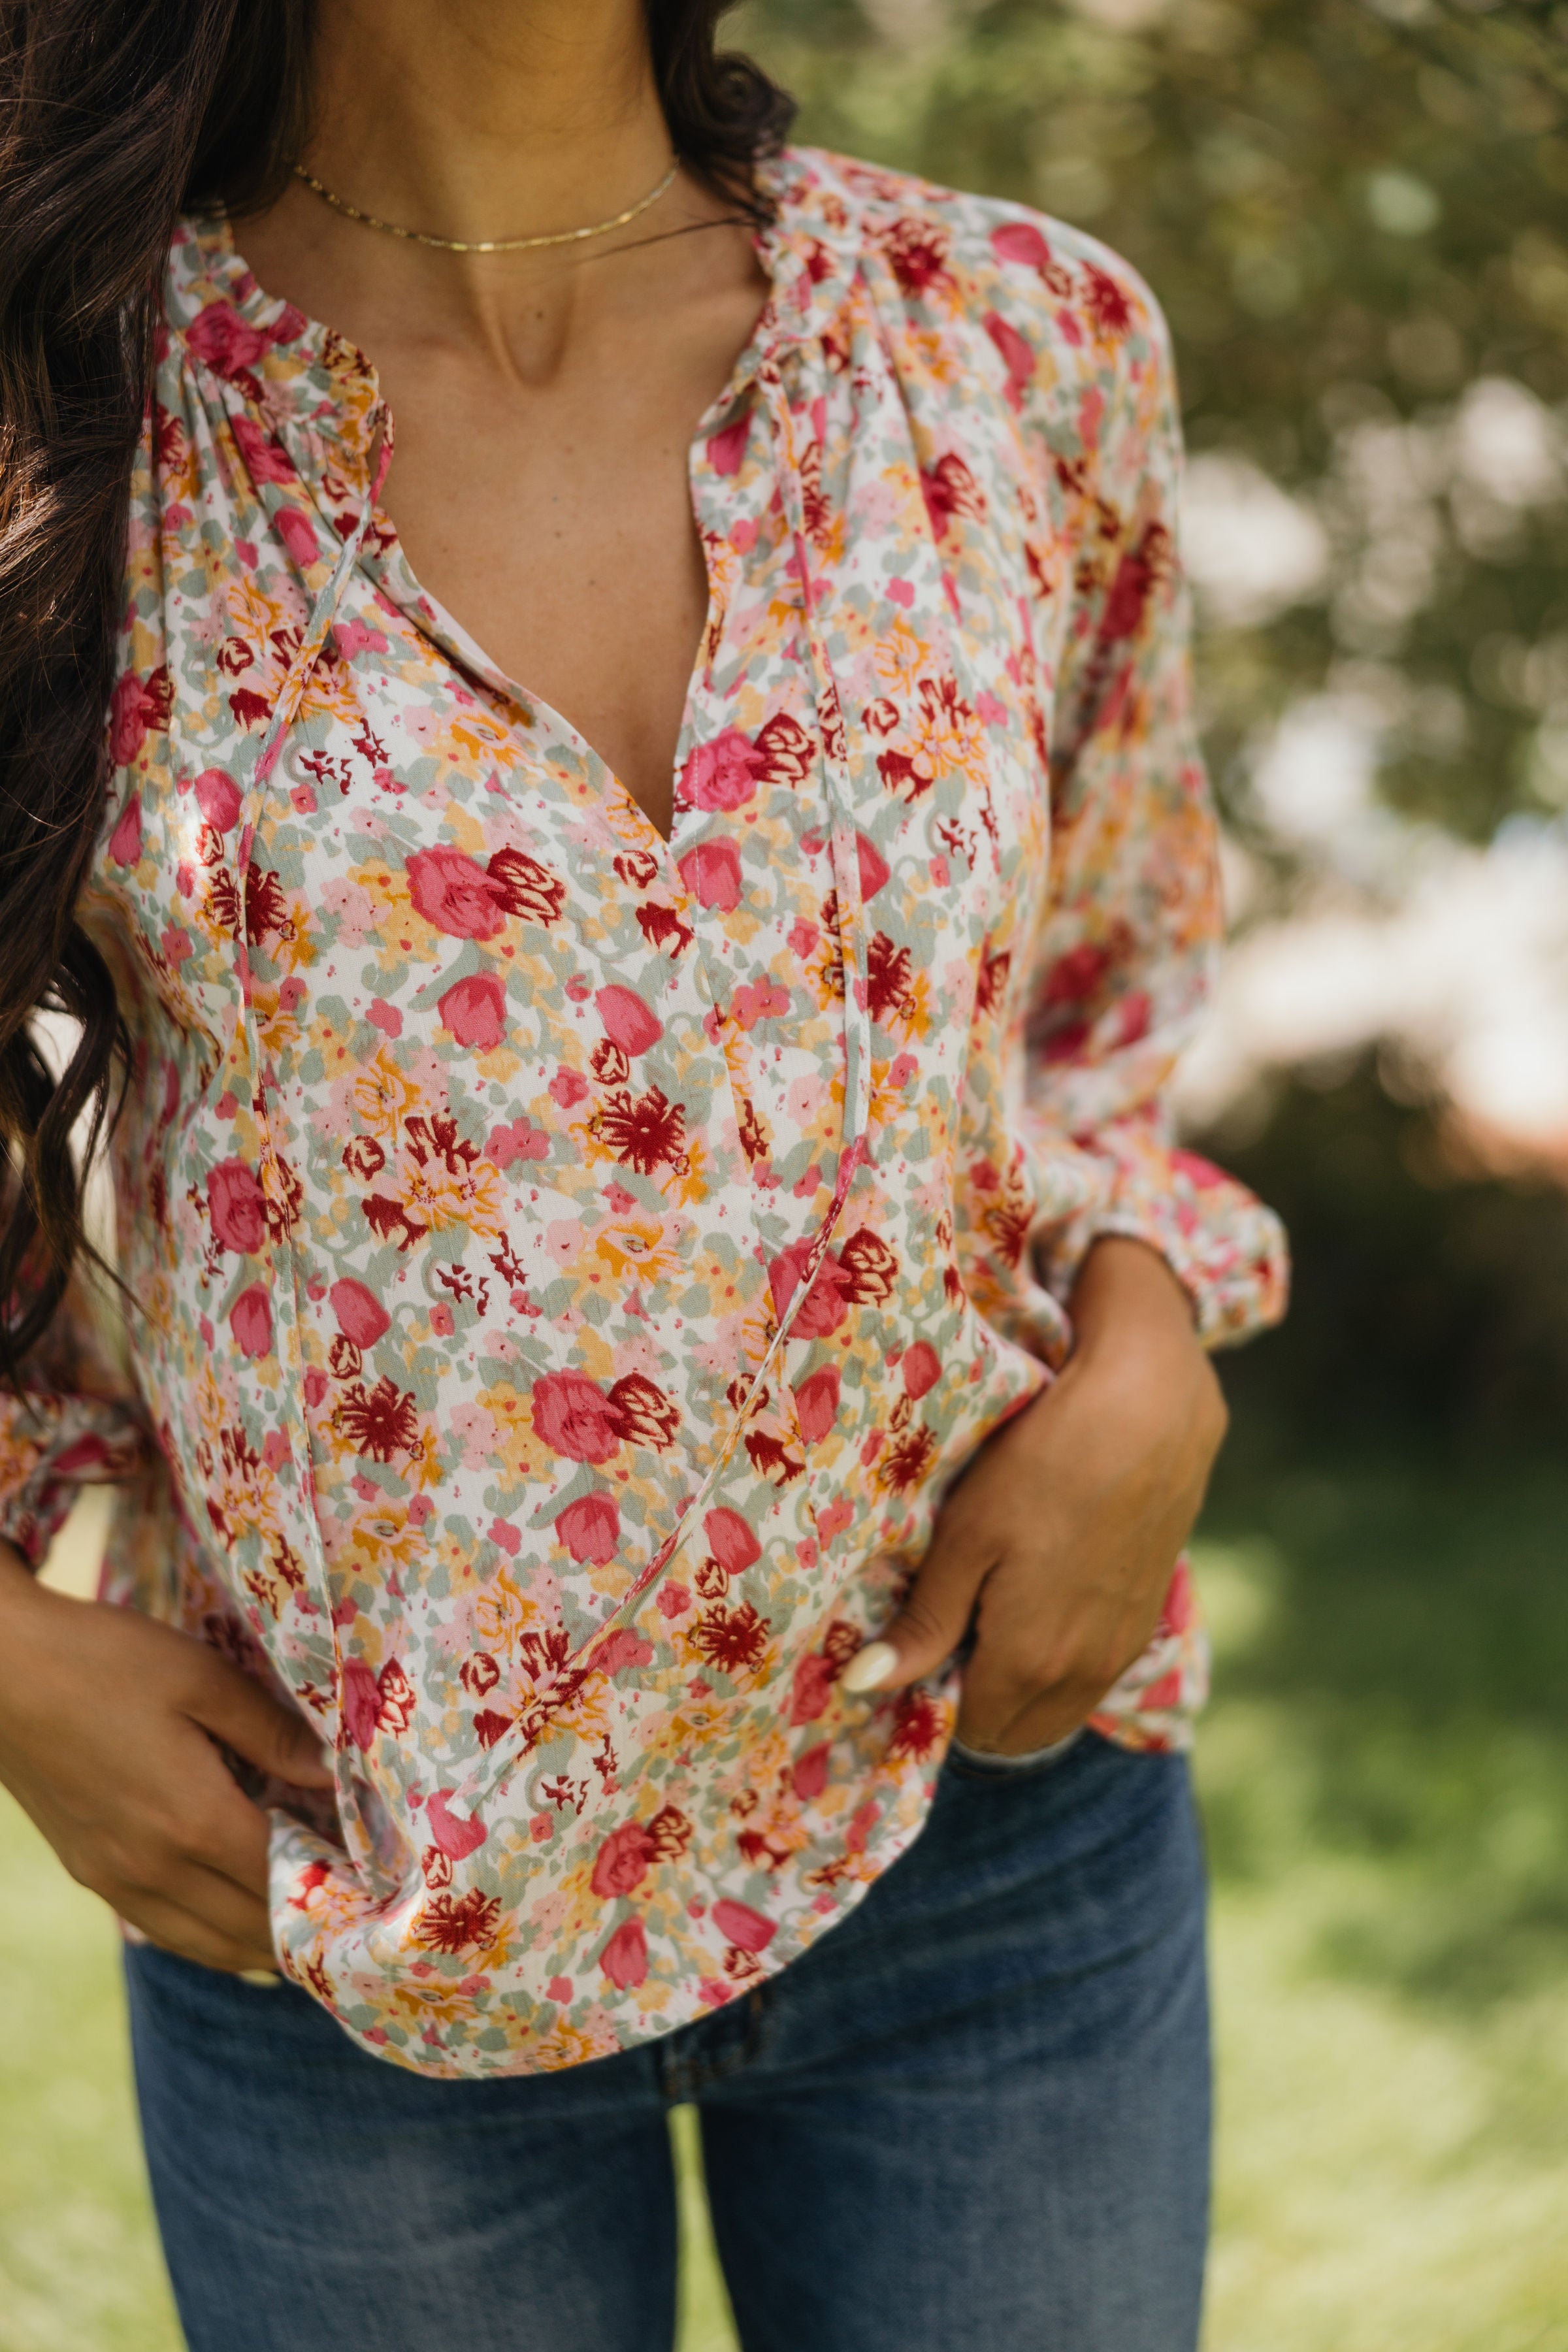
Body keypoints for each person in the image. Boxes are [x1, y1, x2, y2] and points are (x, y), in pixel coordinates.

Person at [0, 3, 1286, 2346]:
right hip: (357, 1887)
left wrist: (1149, 1345)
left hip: (988, 1827)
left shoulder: (1017, 337)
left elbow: (1108, 996)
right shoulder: (68, 404)